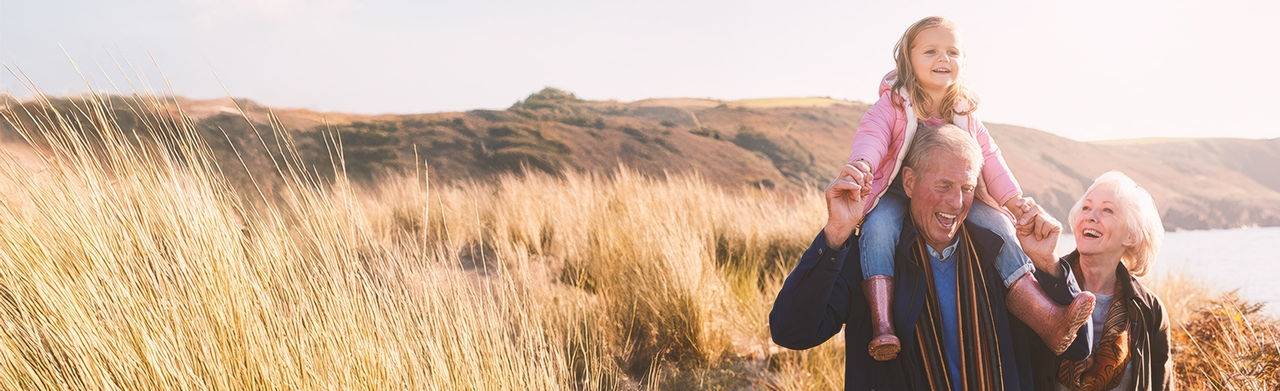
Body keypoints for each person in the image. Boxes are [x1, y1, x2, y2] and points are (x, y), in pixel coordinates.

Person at [843, 16, 1094, 360]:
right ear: (908, 57)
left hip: (954, 192)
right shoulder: (895, 104)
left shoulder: (964, 112)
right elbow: (872, 136)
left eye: (953, 52)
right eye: (931, 51)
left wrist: (1013, 200)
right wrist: (863, 165)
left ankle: (1048, 318)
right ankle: (883, 325)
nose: (943, 59)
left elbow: (989, 157)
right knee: (879, 228)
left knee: (1000, 226)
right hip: (896, 191)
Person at [770, 123, 1090, 390]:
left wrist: (1048, 264)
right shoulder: (870, 258)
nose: (956, 202)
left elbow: (1076, 349)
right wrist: (836, 233)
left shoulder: (1001, 255)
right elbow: (792, 332)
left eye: (966, 188)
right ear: (909, 182)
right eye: (944, 185)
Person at [1025, 172, 1173, 390]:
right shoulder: (1041, 286)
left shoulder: (1149, 309)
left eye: (1107, 210)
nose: (1091, 216)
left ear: (1131, 235)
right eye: (1086, 208)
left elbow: (1162, 384)